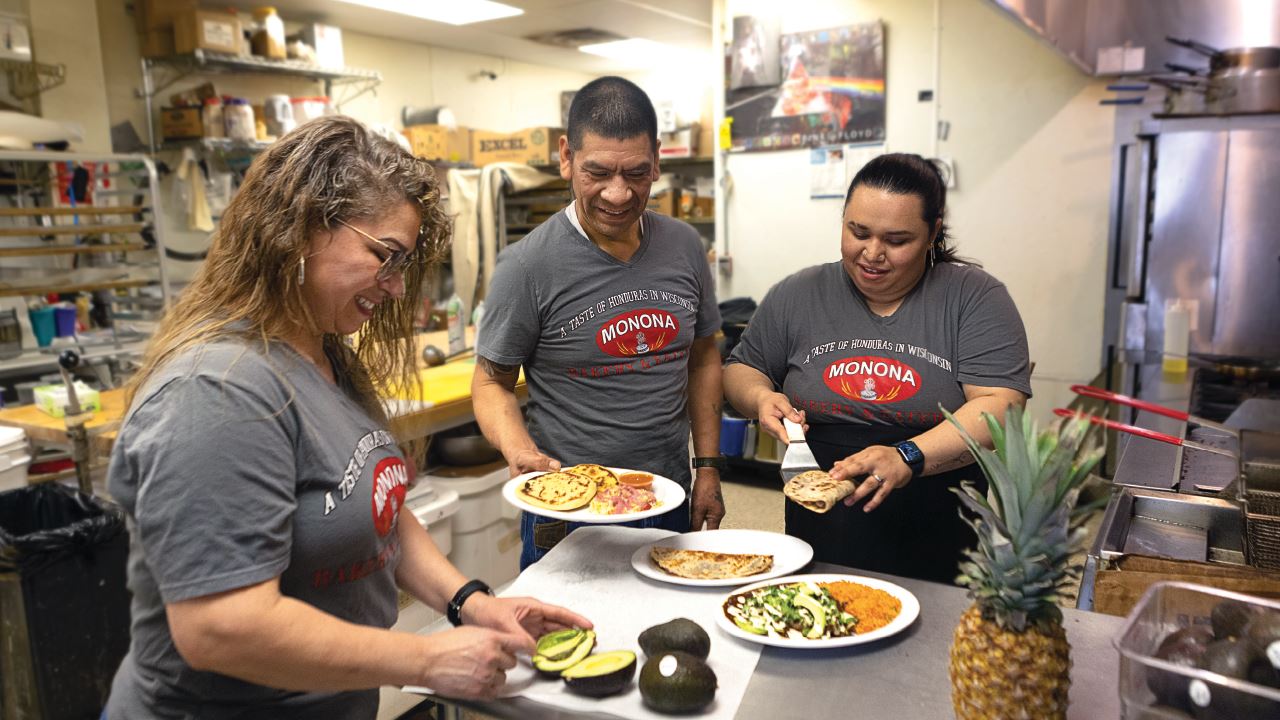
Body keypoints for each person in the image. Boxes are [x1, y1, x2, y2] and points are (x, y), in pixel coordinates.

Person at [104, 116, 590, 719]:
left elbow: (376, 508)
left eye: (402, 266)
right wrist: (424, 660)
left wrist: (470, 602)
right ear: (301, 229)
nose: (393, 288)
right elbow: (220, 627)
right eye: (384, 257)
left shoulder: (323, 350)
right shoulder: (217, 392)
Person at [723, 153, 1031, 584]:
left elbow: (1001, 405)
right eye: (858, 232)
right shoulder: (799, 294)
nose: (872, 254)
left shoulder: (974, 297)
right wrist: (760, 397)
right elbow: (742, 369)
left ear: (933, 233)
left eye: (897, 240)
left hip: (937, 515)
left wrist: (909, 454)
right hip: (823, 518)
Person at [472, 76, 725, 568]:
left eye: (635, 173)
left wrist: (709, 468)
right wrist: (519, 449)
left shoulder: (684, 246)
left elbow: (703, 358)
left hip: (667, 493)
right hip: (569, 510)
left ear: (656, 158)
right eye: (598, 173)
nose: (617, 194)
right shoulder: (527, 267)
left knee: (664, 636)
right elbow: (490, 382)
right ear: (566, 156)